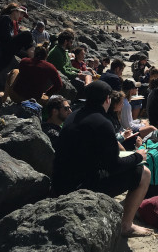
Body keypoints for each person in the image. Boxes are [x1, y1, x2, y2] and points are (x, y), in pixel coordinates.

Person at [52, 81, 152, 237]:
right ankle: (126, 226)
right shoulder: (103, 123)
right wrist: (138, 156)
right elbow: (114, 166)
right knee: (144, 173)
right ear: (107, 99)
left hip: (59, 185)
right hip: (80, 189)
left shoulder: (73, 115)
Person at [0, 2, 34, 94]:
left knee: (24, 53)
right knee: (27, 34)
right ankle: (34, 60)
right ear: (14, 11)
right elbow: (6, 39)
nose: (20, 15)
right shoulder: (6, 19)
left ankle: (31, 58)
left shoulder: (8, 21)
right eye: (19, 13)